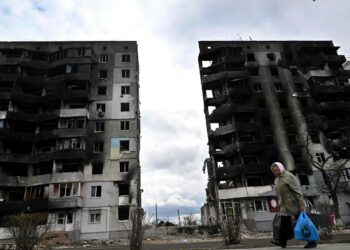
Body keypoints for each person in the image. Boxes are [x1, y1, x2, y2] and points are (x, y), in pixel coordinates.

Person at [271, 162, 317, 249]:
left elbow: (297, 191)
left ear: (281, 168)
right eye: (274, 171)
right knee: (284, 223)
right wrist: (279, 204)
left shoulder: (288, 176)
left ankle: (312, 242)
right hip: (284, 206)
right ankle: (282, 242)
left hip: (294, 204)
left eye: (277, 170)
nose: (275, 172)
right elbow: (280, 194)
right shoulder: (277, 179)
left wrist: (301, 204)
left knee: (303, 224)